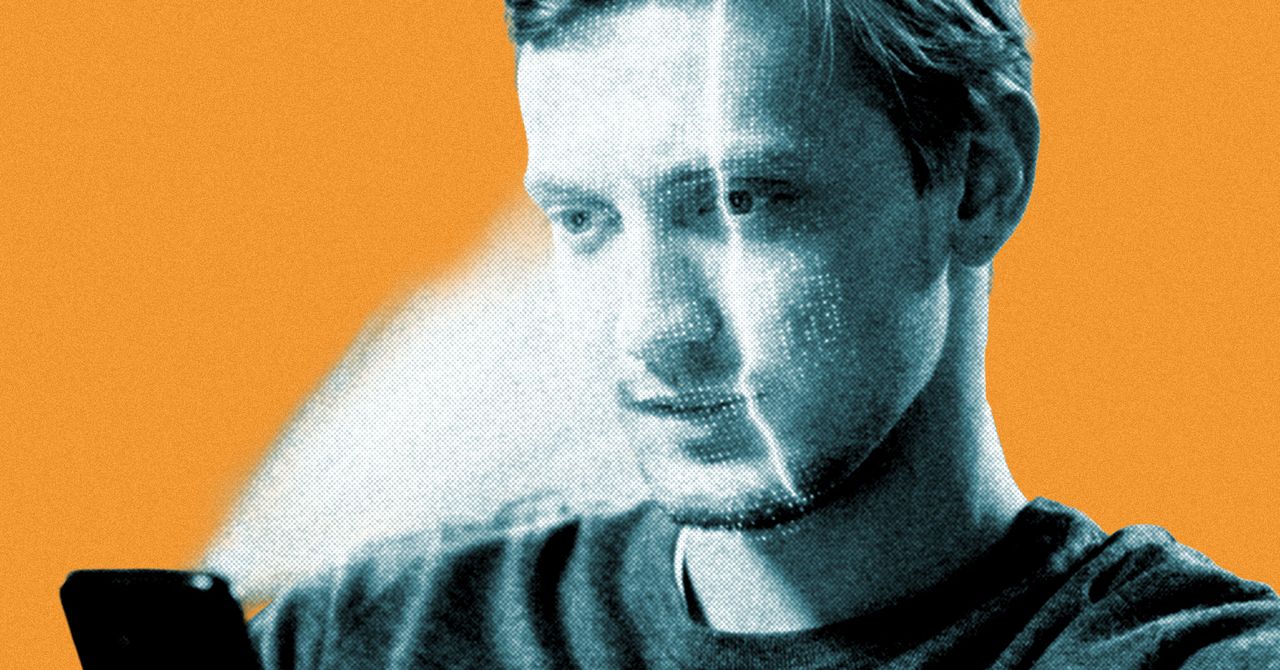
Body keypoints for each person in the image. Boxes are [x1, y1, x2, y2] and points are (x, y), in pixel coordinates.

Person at [249, 0, 1280, 667]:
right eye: (584, 220)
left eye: (742, 203)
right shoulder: (361, 638)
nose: (652, 329)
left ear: (980, 178)